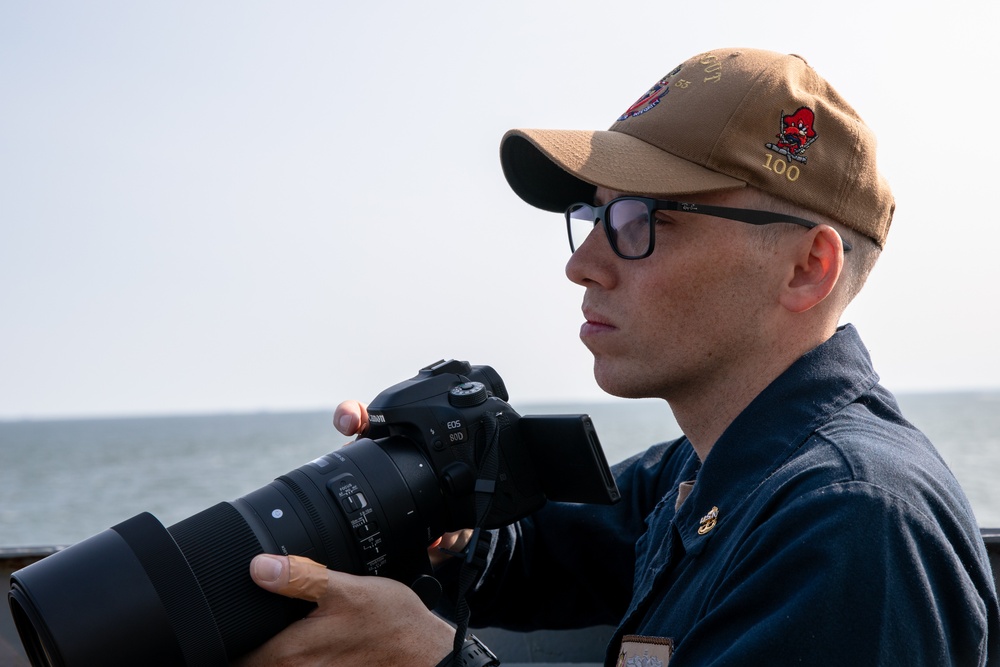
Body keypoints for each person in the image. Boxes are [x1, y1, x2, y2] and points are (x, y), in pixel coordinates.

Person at [235, 47, 999, 666]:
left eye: (639, 219)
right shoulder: (710, 467)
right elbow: (552, 557)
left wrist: (434, 659)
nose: (585, 262)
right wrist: (431, 513)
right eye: (592, 214)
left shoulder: (851, 521)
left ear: (807, 268)